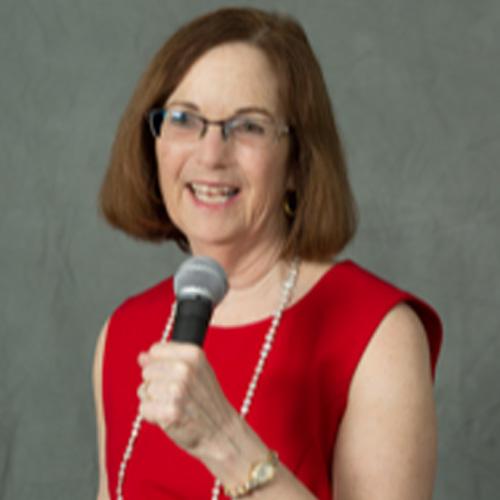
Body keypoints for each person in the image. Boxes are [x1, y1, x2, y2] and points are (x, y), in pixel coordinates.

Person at [93, 7, 442, 500]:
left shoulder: (378, 333)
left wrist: (225, 442)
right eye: (184, 119)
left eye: (249, 127)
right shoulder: (124, 332)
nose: (210, 154)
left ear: (298, 161)